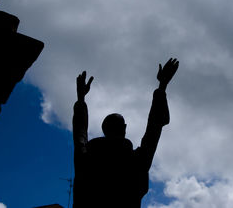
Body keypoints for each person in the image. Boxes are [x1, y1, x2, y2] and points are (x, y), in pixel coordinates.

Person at [72, 58, 179, 208]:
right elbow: (153, 129)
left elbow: (79, 133)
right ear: (124, 128)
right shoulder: (136, 161)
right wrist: (162, 86)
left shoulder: (86, 158)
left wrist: (81, 99)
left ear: (105, 130)